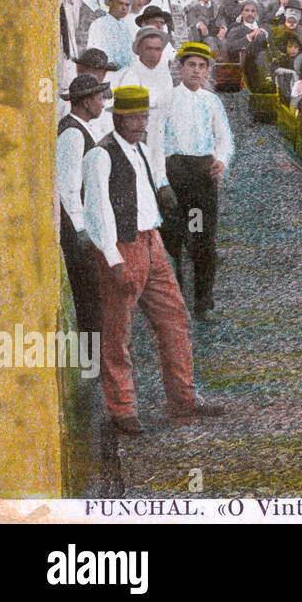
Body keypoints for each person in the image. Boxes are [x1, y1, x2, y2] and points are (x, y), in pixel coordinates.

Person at [81, 85, 223, 434]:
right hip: (122, 245)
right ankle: (123, 411)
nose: (142, 121)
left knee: (174, 318)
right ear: (118, 117)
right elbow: (96, 211)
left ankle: (184, 400)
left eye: (144, 115)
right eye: (135, 116)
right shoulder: (101, 155)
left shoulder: (141, 149)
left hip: (151, 241)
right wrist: (113, 259)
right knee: (117, 333)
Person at [151, 42, 235, 325]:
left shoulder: (212, 102)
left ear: (208, 71)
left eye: (202, 67)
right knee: (172, 241)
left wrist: (221, 161)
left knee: (201, 240)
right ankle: (173, 307)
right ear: (180, 68)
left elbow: (224, 138)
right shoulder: (166, 99)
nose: (196, 71)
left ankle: (203, 303)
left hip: (201, 180)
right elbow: (155, 144)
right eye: (191, 65)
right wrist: (162, 184)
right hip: (175, 177)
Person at [57, 75, 112, 336]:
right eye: (99, 97)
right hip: (75, 228)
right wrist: (81, 230)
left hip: (85, 223)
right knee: (88, 296)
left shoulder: (83, 128)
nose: (102, 102)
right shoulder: (72, 133)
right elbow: (68, 187)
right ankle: (92, 365)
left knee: (95, 294)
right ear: (87, 101)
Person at [87, 0, 134, 83]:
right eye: (120, 3)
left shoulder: (125, 27)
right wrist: (100, 80)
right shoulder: (100, 24)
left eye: (127, 5)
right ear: (110, 3)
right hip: (107, 77)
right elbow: (94, 55)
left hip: (125, 77)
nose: (124, 8)